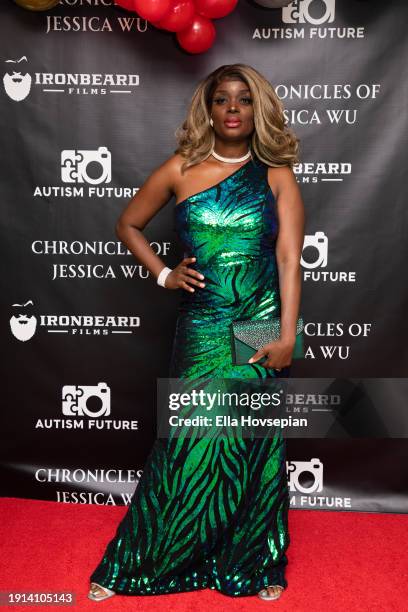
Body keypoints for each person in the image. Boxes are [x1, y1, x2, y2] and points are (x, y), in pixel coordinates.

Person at [88, 63, 305, 603]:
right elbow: (127, 224)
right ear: (207, 109)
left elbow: (288, 258)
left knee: (250, 443)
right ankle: (151, 556)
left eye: (244, 100)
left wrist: (287, 334)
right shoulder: (181, 169)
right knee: (188, 439)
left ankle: (252, 559)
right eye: (222, 100)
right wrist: (164, 273)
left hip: (256, 318)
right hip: (204, 320)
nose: (233, 109)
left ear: (258, 110)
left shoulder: (275, 173)